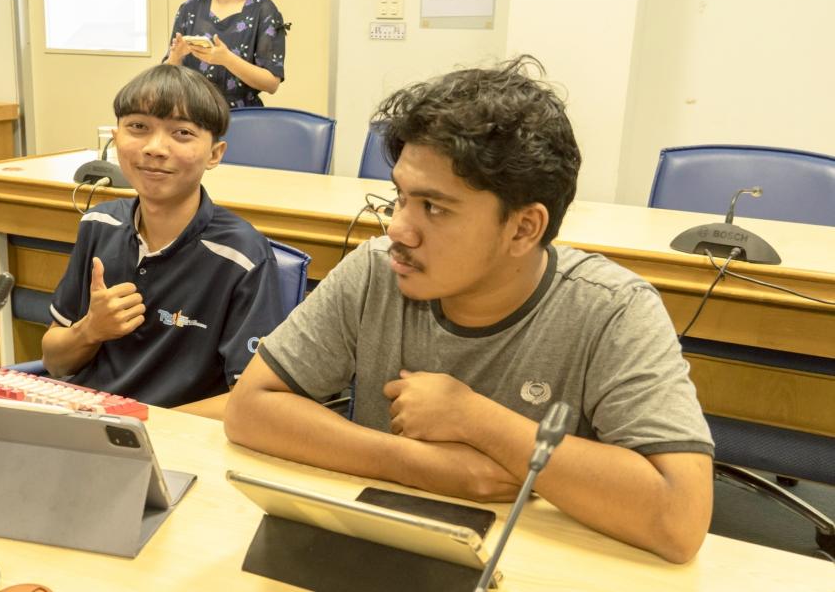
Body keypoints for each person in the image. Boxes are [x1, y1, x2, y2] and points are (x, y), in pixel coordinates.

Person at [225, 56, 715, 563]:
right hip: (387, 549)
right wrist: (418, 463)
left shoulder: (613, 310)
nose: (398, 229)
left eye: (434, 208)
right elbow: (249, 409)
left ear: (523, 228)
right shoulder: (375, 271)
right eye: (400, 197)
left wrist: (477, 420)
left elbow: (680, 519)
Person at [42, 64, 284, 419]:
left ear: (215, 154)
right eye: (138, 127)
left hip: (176, 436)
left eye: (182, 133)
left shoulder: (242, 256)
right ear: (116, 138)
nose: (155, 148)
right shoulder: (99, 224)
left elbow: (252, 400)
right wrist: (89, 330)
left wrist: (144, 422)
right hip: (86, 423)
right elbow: (54, 361)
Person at [165, 0, 285, 108]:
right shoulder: (190, 8)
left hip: (242, 114)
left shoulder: (264, 9)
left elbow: (271, 84)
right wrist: (176, 56)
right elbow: (164, 78)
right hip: (192, 112)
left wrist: (227, 59)